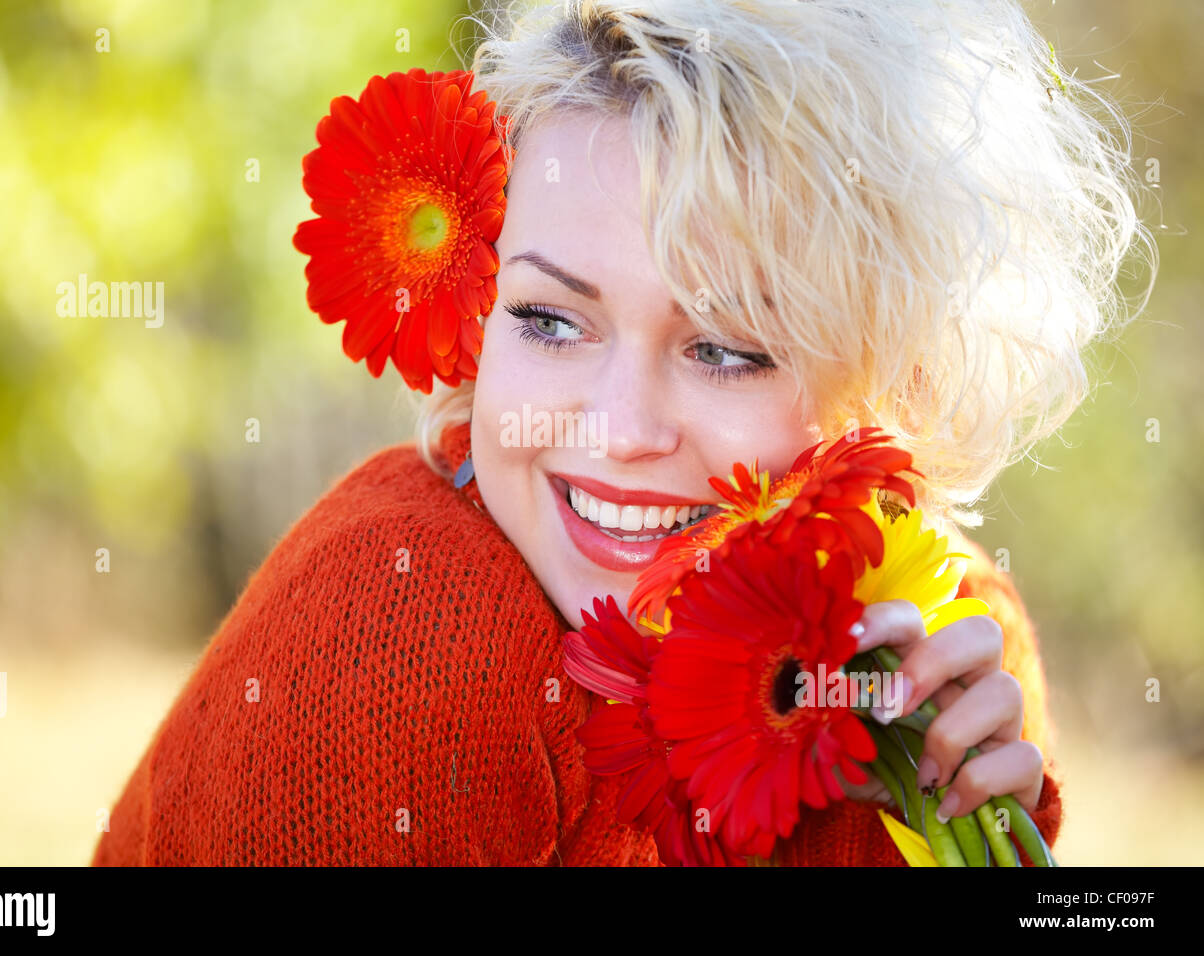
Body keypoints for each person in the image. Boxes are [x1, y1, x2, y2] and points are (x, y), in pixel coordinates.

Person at [93, 0, 1154, 865]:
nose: (619, 428)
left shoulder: (940, 648)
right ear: (474, 319)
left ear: (889, 371)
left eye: (728, 347)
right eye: (551, 321)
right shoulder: (404, 622)